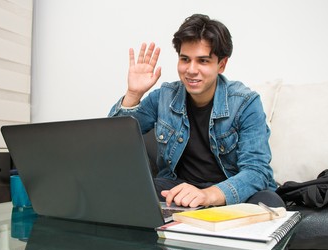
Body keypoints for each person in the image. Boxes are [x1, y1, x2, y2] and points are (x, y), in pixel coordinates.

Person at [109, 14, 285, 208]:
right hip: (179, 188)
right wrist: (133, 94)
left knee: (270, 202)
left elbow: (256, 171)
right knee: (129, 189)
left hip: (230, 192)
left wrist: (207, 195)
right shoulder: (164, 97)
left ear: (221, 65)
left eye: (203, 61)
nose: (191, 70)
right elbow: (114, 142)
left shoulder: (245, 103)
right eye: (185, 59)